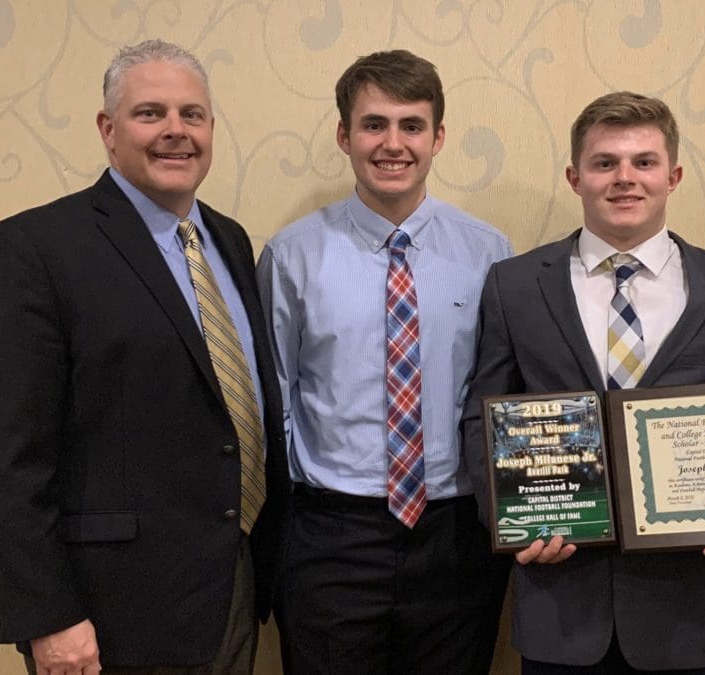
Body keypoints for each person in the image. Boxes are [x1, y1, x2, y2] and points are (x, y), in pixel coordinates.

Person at [0, 39, 289, 674]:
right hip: (108, 611)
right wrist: (47, 614)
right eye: (151, 114)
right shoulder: (37, 248)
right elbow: (4, 457)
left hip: (232, 585)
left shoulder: (229, 239)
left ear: (212, 129)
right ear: (108, 130)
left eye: (192, 115)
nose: (176, 131)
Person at [460, 91, 705, 674]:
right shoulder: (512, 286)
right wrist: (510, 521)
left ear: (673, 175)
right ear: (575, 176)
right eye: (604, 163)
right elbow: (480, 415)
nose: (624, 179)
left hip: (689, 616)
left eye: (644, 162)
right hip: (557, 602)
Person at [257, 49, 513, 674]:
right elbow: (275, 398)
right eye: (374, 124)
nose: (392, 143)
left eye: (411, 125)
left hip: (454, 537)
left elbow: (500, 393)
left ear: (438, 137)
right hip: (331, 535)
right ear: (345, 135)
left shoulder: (490, 254)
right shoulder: (291, 256)